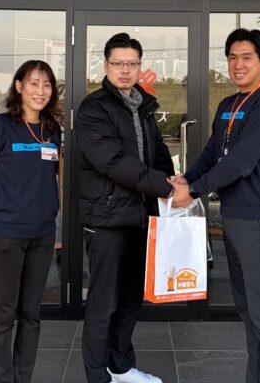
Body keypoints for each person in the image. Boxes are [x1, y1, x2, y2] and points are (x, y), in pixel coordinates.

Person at [170, 28, 260, 383]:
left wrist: (194, 191)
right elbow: (213, 153)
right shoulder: (227, 105)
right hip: (233, 217)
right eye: (233, 57)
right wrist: (187, 179)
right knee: (248, 310)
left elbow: (241, 161)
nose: (238, 64)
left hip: (257, 221)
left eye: (247, 57)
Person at [76, 32, 174, 383]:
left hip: (140, 217)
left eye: (131, 63)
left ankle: (120, 367)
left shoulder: (143, 106)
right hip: (106, 219)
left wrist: (172, 180)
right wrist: (165, 186)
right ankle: (97, 375)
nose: (125, 69)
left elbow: (158, 153)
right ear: (105, 66)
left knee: (131, 299)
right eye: (118, 63)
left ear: (139, 66)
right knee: (103, 303)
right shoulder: (93, 109)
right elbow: (114, 162)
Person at [0, 60, 61, 383]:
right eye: (34, 83)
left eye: (47, 85)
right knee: (4, 315)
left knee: (31, 314)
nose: (41, 91)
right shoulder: (0, 126)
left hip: (42, 234)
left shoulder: (52, 130)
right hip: (7, 235)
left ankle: (24, 377)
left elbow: (50, 176)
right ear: (19, 86)